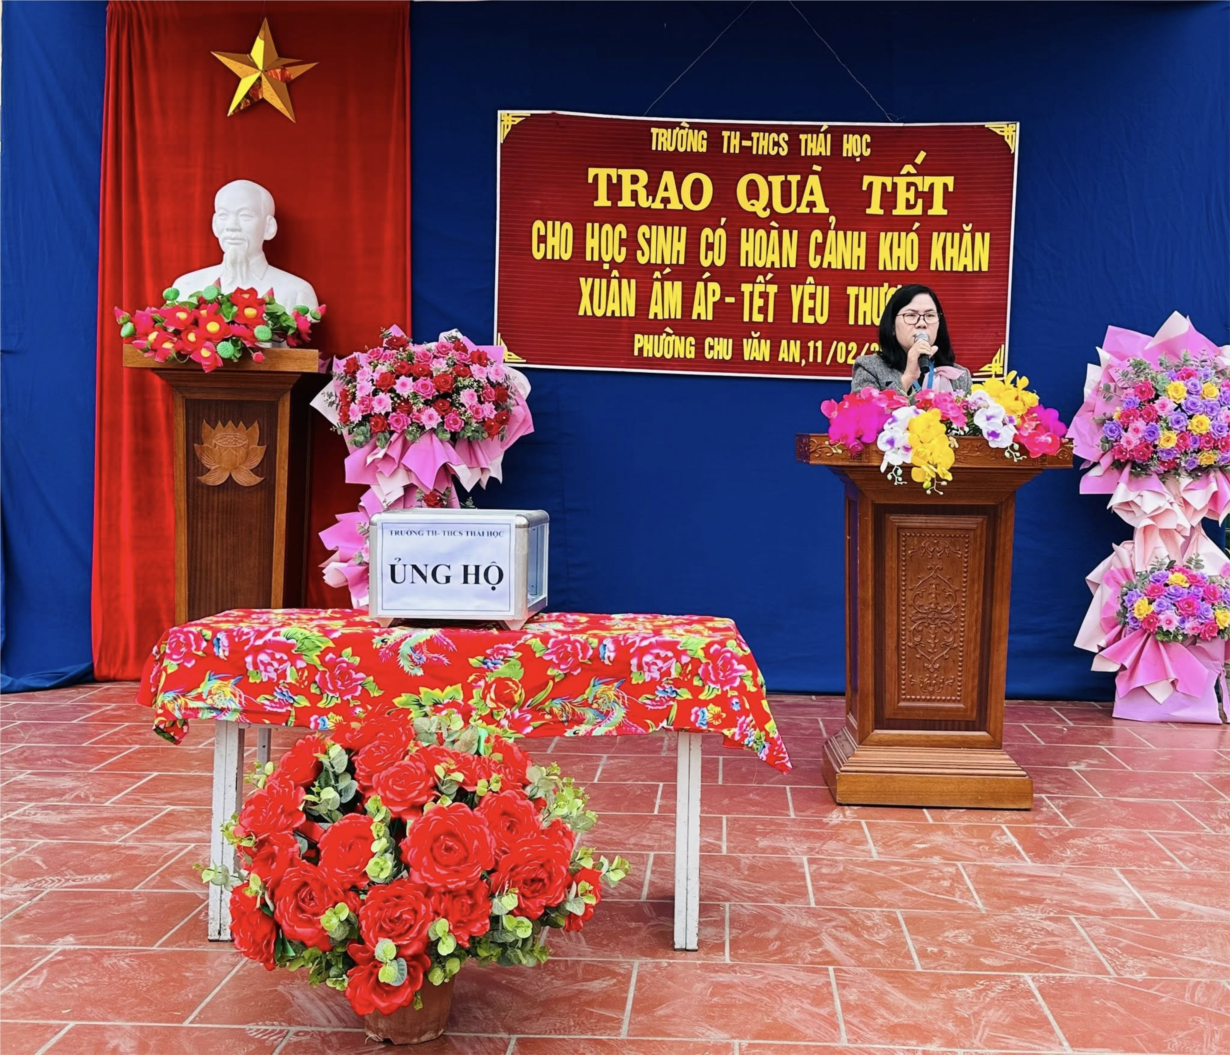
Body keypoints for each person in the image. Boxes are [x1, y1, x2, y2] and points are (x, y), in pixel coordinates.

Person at [173, 179, 319, 310]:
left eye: (245, 216)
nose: (231, 226)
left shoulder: (297, 292)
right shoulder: (185, 287)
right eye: (223, 215)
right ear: (215, 224)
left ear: (269, 227)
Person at [850, 284, 971, 397]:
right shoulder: (870, 368)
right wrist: (908, 377)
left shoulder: (960, 376)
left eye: (930, 315)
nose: (922, 323)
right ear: (892, 327)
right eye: (911, 315)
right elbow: (865, 412)